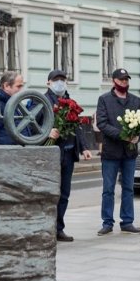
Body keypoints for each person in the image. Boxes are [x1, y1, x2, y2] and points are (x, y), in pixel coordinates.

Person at [95, 68, 140, 235]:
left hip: (129, 153)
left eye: (126, 80)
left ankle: (127, 221)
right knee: (108, 189)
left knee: (129, 188)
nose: (124, 82)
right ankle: (107, 222)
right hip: (111, 153)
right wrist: (124, 135)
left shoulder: (136, 100)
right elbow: (102, 124)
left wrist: (138, 135)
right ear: (114, 81)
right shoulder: (104, 100)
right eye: (121, 80)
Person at [45, 69, 92, 242]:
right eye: (56, 80)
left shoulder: (70, 102)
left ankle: (58, 229)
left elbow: (77, 127)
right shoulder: (43, 101)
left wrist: (85, 148)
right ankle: (47, 228)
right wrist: (47, 134)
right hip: (52, 153)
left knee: (64, 194)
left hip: (69, 154)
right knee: (50, 193)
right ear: (48, 83)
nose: (60, 83)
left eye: (63, 80)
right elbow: (35, 126)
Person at [0, 71, 26, 145]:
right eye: (18, 86)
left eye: (22, 86)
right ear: (6, 86)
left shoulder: (12, 103)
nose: (21, 90)